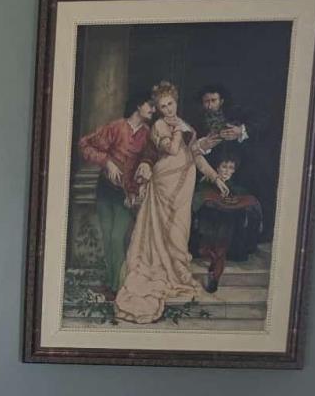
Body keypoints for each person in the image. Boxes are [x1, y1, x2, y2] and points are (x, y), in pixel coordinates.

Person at [113, 82, 230, 325]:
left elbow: (195, 156)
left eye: (171, 104)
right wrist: (178, 130)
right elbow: (174, 149)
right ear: (157, 109)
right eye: (163, 106)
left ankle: (178, 271)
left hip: (183, 188)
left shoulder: (184, 124)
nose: (168, 109)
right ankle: (169, 273)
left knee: (180, 232)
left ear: (176, 101)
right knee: (166, 236)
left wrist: (216, 177)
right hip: (164, 186)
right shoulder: (159, 126)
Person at [77, 90, 156, 296]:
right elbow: (84, 144)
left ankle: (119, 287)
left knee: (117, 238)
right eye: (150, 105)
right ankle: (111, 284)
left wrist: (144, 171)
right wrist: (107, 162)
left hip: (126, 193)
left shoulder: (148, 133)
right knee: (107, 237)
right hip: (105, 189)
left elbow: (149, 158)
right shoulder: (116, 127)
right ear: (138, 105)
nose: (153, 109)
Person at [189, 152, 264, 293]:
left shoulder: (235, 187)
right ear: (217, 168)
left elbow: (245, 199)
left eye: (230, 168)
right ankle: (213, 262)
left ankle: (215, 279)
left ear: (234, 170)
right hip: (206, 225)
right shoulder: (205, 183)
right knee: (205, 249)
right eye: (224, 167)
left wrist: (234, 202)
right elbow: (197, 200)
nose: (226, 171)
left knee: (221, 249)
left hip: (226, 226)